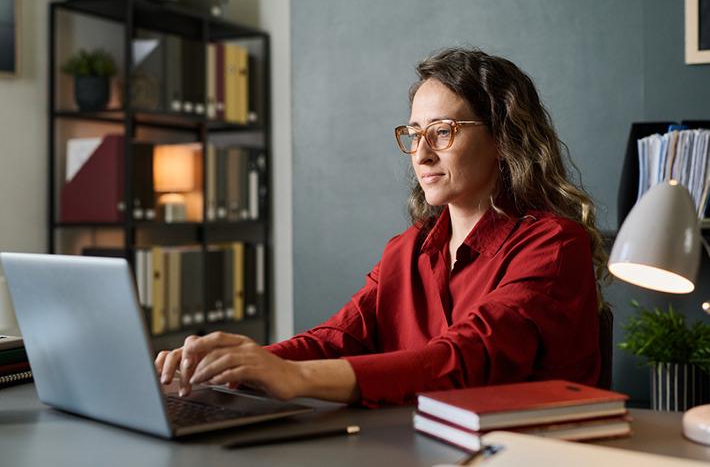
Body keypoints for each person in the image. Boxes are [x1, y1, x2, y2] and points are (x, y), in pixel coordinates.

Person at [155, 47, 607, 408]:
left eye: (443, 131)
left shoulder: (553, 245)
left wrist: (293, 377)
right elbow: (338, 338)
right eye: (414, 134)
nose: (421, 154)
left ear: (502, 139)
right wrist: (237, 364)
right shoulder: (408, 250)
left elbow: (462, 361)